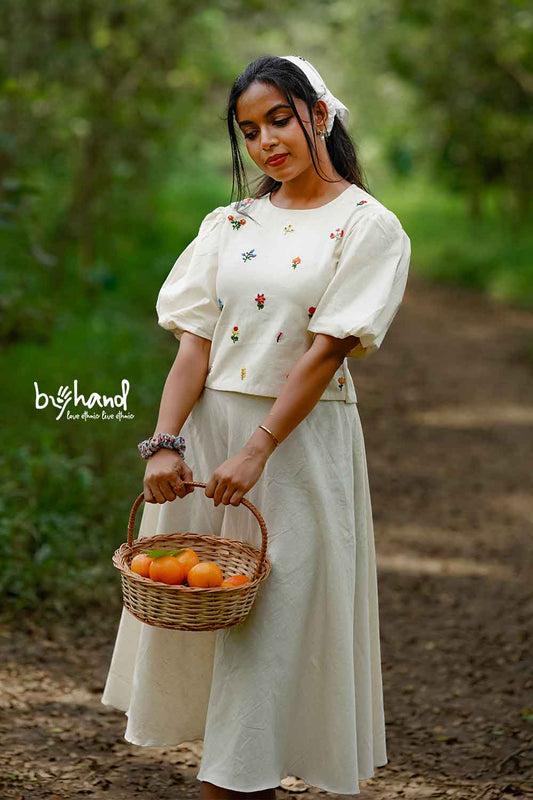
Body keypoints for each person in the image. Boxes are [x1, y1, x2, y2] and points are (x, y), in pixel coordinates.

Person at [101, 53, 411, 798]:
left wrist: (258, 450)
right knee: (208, 611)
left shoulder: (368, 227)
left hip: (296, 446)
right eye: (249, 129)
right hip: (211, 436)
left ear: (320, 114)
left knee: (274, 626)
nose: (267, 140)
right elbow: (193, 345)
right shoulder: (230, 222)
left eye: (280, 118)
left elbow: (323, 350)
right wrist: (165, 442)